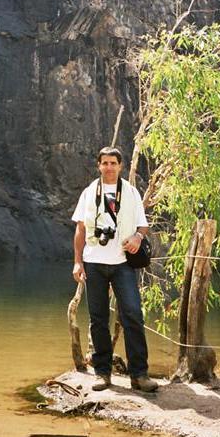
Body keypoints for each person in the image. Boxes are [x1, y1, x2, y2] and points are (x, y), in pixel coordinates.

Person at [72, 147, 158, 392]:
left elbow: (143, 226)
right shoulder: (89, 193)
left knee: (133, 315)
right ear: (99, 165)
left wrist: (137, 238)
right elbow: (79, 229)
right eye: (105, 163)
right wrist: (78, 261)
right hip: (94, 262)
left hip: (122, 264)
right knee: (98, 319)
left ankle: (139, 375)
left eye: (113, 163)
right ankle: (102, 373)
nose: (109, 167)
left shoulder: (131, 193)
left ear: (121, 166)